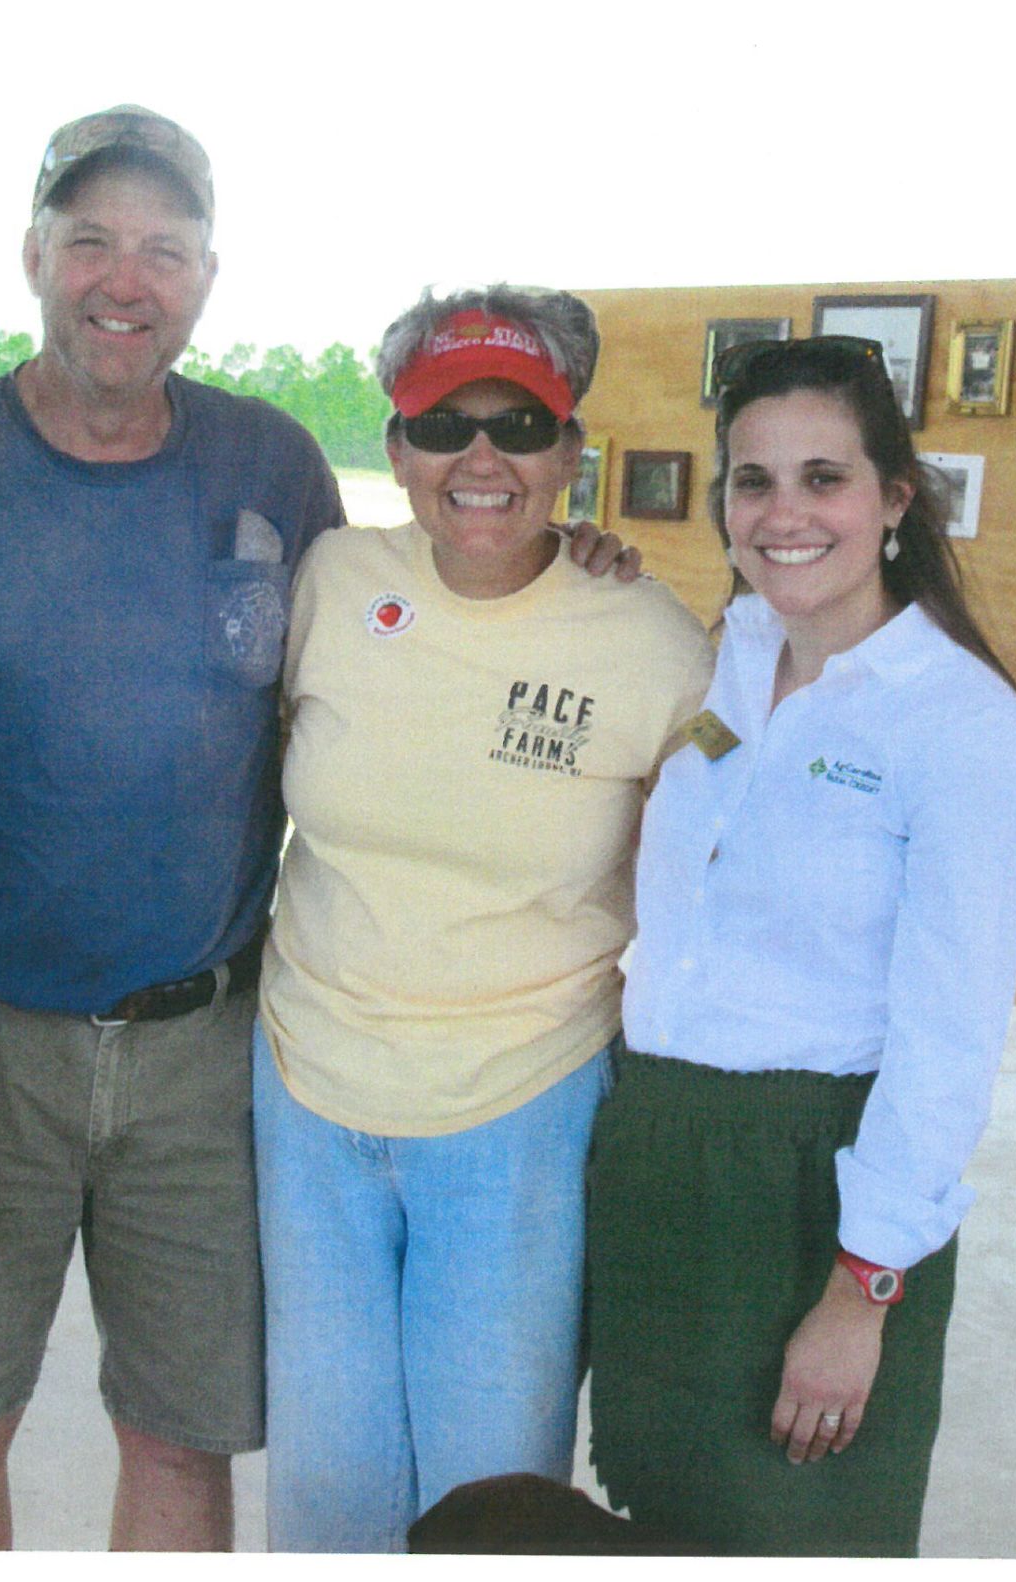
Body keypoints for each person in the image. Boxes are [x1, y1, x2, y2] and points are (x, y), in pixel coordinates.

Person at [0, 110, 638, 1552]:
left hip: (210, 1048)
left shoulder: (270, 470)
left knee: (187, 1442)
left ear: (207, 278)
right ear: (32, 257)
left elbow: (406, 633)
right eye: (91, 242)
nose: (124, 281)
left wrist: (574, 560)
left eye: (164, 249)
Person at [583, 335, 1016, 1556]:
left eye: (824, 477)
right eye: (751, 481)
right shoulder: (733, 659)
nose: (783, 513)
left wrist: (860, 1294)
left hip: (812, 1191)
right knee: (660, 1521)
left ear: (895, 500)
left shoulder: (965, 732)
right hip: (659, 1163)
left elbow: (947, 1048)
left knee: (796, 1527)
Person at [254, 287, 715, 1551]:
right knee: (325, 1494)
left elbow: (726, 859)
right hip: (307, 1089)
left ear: (572, 452)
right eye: (441, 423)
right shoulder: (337, 578)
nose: (481, 459)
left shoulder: (654, 642)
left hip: (519, 1104)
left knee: (492, 1499)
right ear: (396, 448)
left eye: (519, 424)